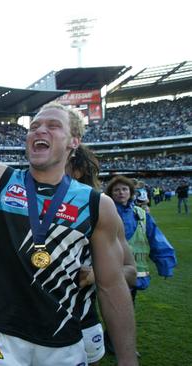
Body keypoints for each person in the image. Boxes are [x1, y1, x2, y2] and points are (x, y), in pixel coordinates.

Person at [0, 69, 137, 365]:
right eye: (34, 126)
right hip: (1, 336)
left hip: (63, 339)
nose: (39, 130)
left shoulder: (97, 204)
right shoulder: (2, 180)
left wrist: (128, 360)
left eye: (52, 126)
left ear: (74, 141)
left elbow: (112, 287)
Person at [67, 144, 137, 365]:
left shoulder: (101, 209)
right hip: (32, 321)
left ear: (77, 170)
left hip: (82, 319)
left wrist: (95, 276)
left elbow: (131, 272)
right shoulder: (34, 204)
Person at [105, 175, 177, 300]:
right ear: (111, 193)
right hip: (109, 269)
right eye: (116, 190)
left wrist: (165, 264)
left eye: (124, 189)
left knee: (128, 305)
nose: (121, 192)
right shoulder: (103, 212)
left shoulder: (141, 214)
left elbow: (155, 238)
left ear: (131, 192)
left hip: (134, 273)